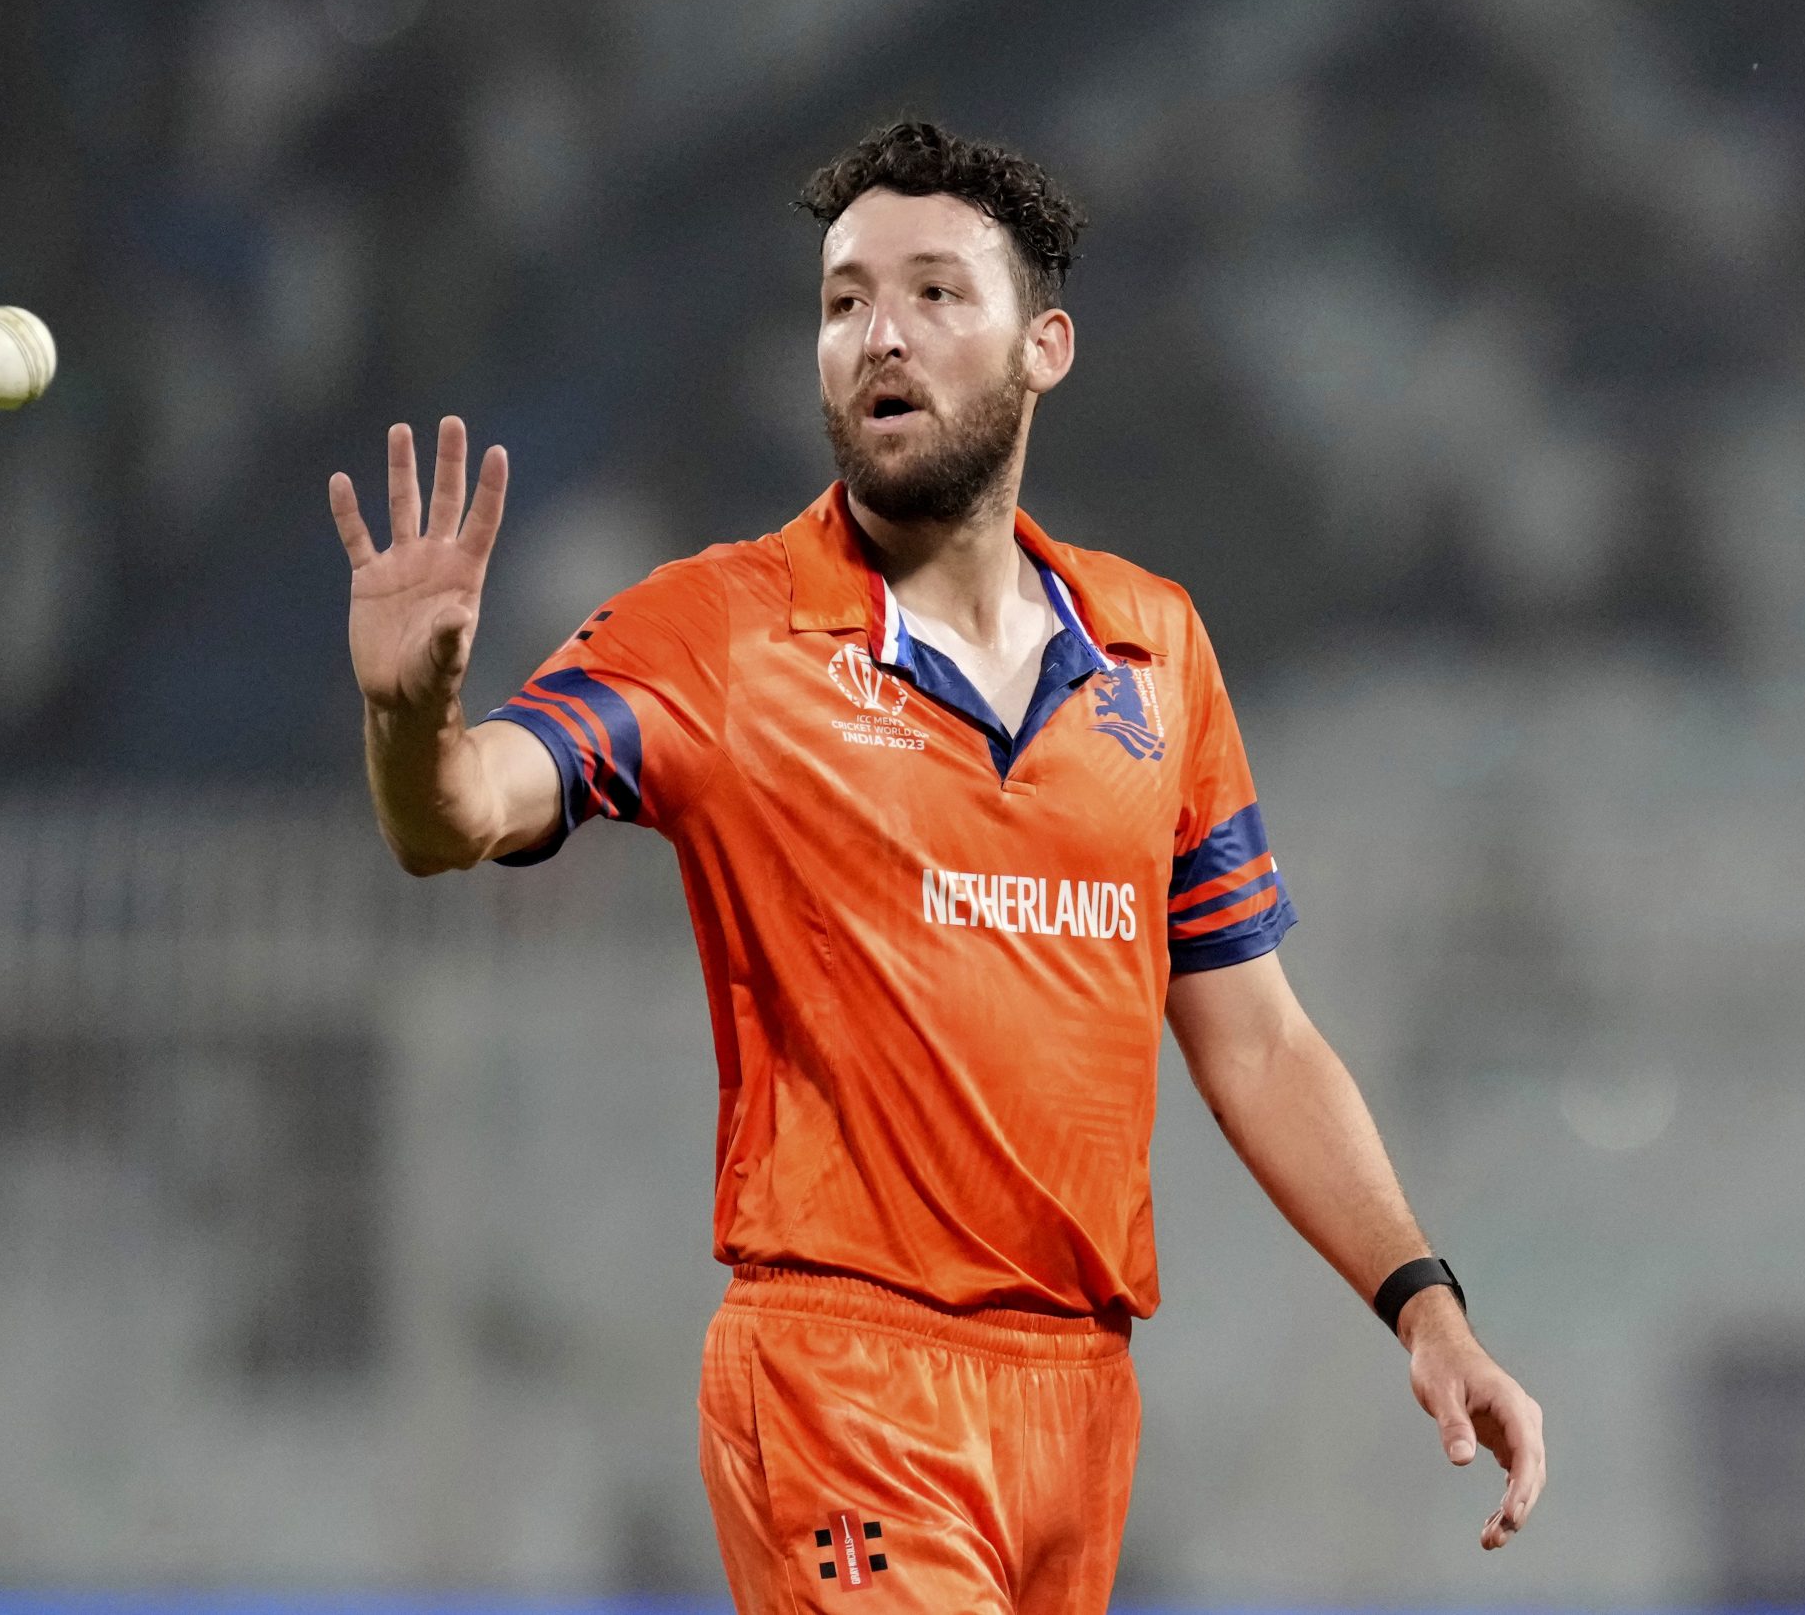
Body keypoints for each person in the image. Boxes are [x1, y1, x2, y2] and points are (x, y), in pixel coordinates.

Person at [327, 119, 1545, 1615]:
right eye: (842, 301)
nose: (878, 335)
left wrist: (1427, 1309)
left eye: (932, 294)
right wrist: (410, 719)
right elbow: (454, 814)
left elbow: (1259, 1038)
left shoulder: (1154, 652)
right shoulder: (723, 634)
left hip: (1077, 1399)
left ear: (1045, 349)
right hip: (845, 1379)